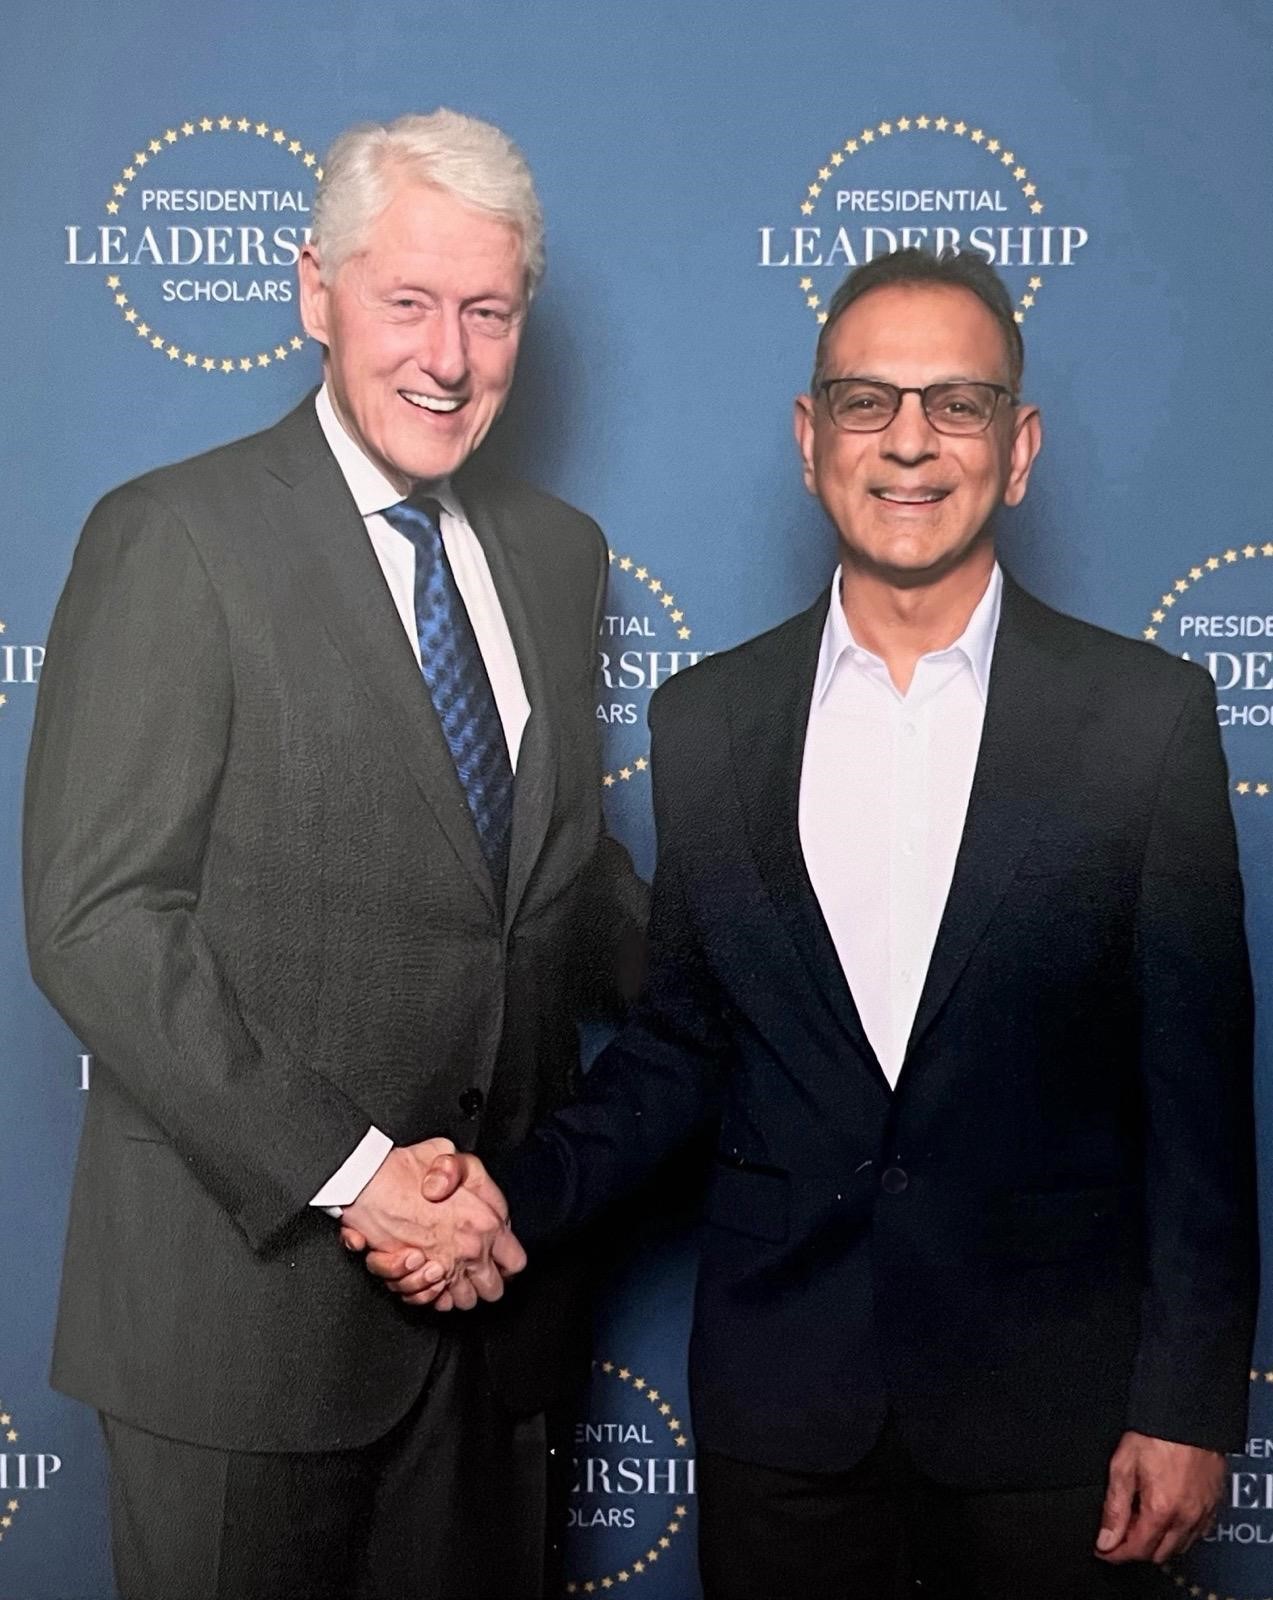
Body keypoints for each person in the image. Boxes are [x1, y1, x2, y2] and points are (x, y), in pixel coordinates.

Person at [362, 248, 1257, 1599]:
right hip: (784, 1417)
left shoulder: (1144, 723)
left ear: (1015, 451)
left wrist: (1187, 1402)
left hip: (1051, 1423)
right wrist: (500, 1200)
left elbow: (1197, 1102)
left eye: (954, 406)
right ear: (808, 439)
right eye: (864, 403)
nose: (908, 442)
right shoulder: (709, 723)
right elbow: (681, 1051)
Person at [24, 108, 643, 1600]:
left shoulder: (559, 556)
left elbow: (554, 897)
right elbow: (102, 922)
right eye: (407, 302)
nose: (447, 355)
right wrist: (361, 1178)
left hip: (489, 1325)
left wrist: (798, 965)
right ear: (316, 293)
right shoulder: (172, 537)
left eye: (486, 313)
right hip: (238, 1335)